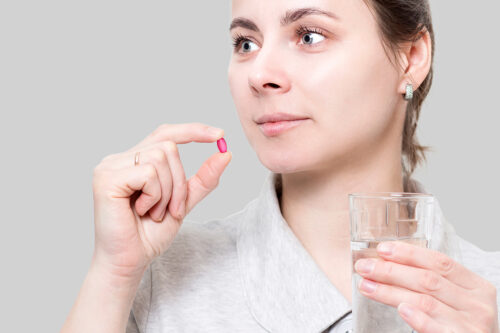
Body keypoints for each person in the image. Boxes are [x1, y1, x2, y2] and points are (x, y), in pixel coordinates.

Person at [61, 0, 500, 332]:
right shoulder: (158, 280)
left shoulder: (489, 297)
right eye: (245, 43)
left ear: (412, 56)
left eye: (309, 35)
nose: (259, 73)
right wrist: (113, 275)